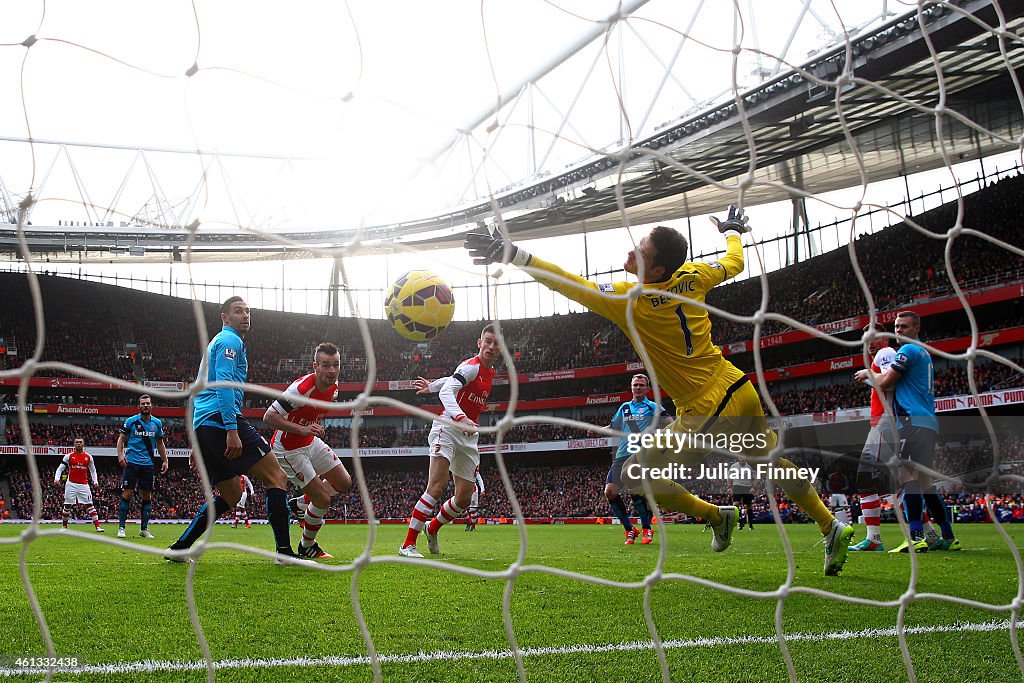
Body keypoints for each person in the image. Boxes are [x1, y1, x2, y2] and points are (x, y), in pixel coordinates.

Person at [465, 206, 853, 576]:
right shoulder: (695, 275)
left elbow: (569, 283)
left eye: (642, 251)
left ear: (658, 268)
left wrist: (513, 253)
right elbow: (735, 262)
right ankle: (829, 526)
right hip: (738, 386)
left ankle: (717, 517)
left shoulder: (629, 299)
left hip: (706, 407)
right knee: (769, 462)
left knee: (635, 477)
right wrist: (733, 233)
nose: (632, 251)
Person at [165, 296, 299, 563]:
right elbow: (224, 386)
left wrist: (197, 440)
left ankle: (179, 548)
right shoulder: (230, 341)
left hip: (205, 423)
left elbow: (197, 391)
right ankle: (284, 553)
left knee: (231, 494)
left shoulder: (215, 343)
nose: (246, 316)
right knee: (277, 477)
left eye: (248, 311)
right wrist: (231, 429)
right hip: (222, 419)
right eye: (238, 311)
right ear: (224, 317)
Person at [855, 310, 959, 553]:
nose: (899, 330)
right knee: (924, 482)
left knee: (906, 478)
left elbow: (885, 382)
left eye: (904, 326)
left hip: (911, 421)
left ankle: (915, 537)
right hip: (926, 421)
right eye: (897, 326)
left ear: (916, 329)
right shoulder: (922, 352)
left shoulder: (906, 351)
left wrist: (866, 374)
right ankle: (947, 534)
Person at [399, 325, 500, 558]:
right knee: (436, 485)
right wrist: (460, 416)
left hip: (468, 434)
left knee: (464, 497)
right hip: (448, 426)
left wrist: (432, 384)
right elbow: (448, 392)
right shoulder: (471, 366)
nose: (492, 346)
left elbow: (452, 380)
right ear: (480, 343)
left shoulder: (488, 371)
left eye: (496, 343)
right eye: (488, 341)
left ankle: (432, 527)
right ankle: (407, 544)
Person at [263, 342, 353, 560]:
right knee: (322, 499)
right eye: (326, 365)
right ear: (315, 366)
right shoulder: (301, 390)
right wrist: (303, 428)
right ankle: (307, 546)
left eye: (335, 365)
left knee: (344, 483)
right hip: (288, 449)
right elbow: (269, 417)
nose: (332, 370)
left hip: (309, 441)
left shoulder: (335, 386)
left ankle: (301, 503)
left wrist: (309, 428)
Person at [848, 323, 897, 551]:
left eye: (872, 339)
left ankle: (874, 538)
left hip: (884, 424)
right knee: (901, 480)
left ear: (885, 339)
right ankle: (926, 532)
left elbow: (890, 381)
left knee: (864, 479)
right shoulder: (882, 355)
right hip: (885, 423)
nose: (868, 344)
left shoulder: (885, 353)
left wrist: (868, 374)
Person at [606, 373, 669, 545]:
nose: (638, 387)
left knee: (635, 490)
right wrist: (595, 430)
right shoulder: (625, 407)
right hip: (621, 454)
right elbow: (613, 425)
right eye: (635, 385)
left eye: (641, 385)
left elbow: (669, 423)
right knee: (610, 492)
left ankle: (647, 528)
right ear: (631, 387)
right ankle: (630, 529)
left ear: (647, 388)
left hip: (640, 455)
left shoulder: (653, 407)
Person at [116, 394, 169, 539]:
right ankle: (121, 527)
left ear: (151, 406)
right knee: (127, 494)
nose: (146, 406)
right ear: (138, 406)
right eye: (143, 404)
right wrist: (120, 455)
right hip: (131, 463)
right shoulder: (131, 421)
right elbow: (121, 439)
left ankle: (144, 529)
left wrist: (165, 460)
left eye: (148, 403)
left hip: (148, 465)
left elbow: (160, 443)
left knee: (147, 496)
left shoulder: (157, 423)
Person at [54, 437, 104, 532]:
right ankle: (64, 527)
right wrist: (57, 478)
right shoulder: (69, 456)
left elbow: (93, 470)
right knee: (67, 506)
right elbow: (60, 468)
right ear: (74, 444)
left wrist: (95, 481)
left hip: (83, 485)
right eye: (77, 442)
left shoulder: (88, 457)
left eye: (80, 442)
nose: (79, 444)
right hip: (71, 484)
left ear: (83, 444)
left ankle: (98, 527)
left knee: (90, 505)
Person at [465, 466, 484, 531]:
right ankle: (468, 522)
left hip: (473, 490)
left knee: (473, 509)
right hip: (463, 489)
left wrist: (482, 490)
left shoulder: (474, 468)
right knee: (461, 508)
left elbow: (479, 479)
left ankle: (473, 526)